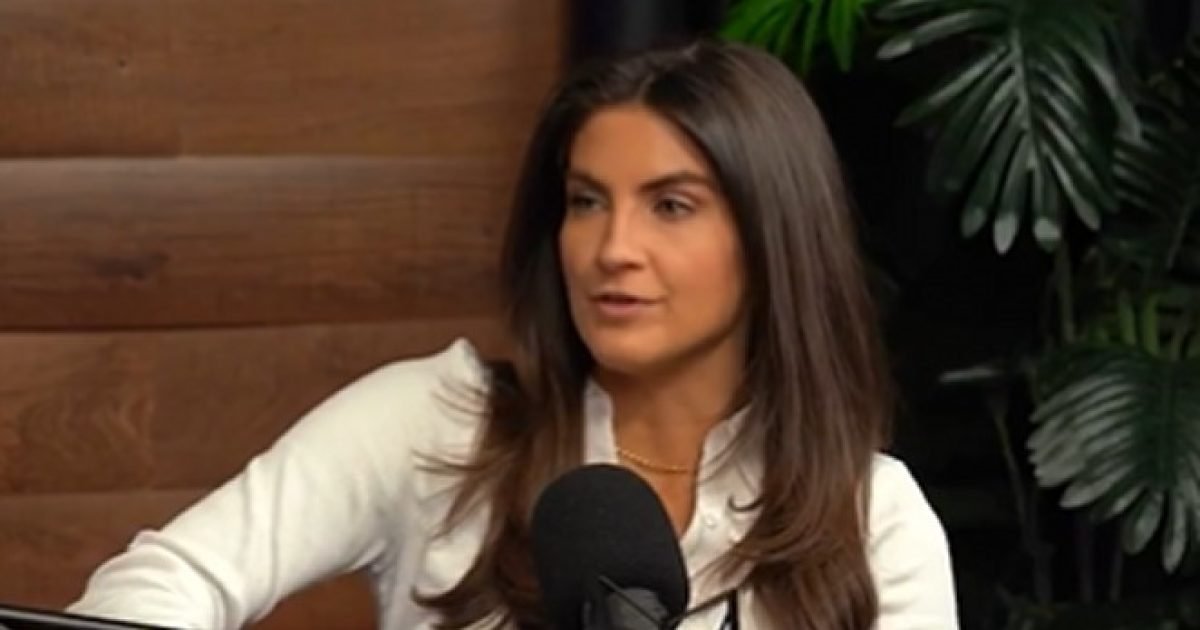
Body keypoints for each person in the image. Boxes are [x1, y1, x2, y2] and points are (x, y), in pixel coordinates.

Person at [68, 39, 958, 629]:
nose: (613, 249)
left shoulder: (871, 516)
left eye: (671, 206)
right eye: (586, 202)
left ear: (772, 238)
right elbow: (155, 585)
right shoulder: (436, 422)